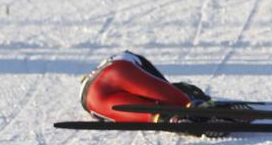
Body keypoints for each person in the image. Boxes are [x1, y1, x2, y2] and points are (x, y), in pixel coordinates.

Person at [79, 51, 220, 124]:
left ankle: (170, 119)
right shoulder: (132, 60)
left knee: (155, 115)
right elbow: (159, 85)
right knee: (179, 102)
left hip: (90, 99)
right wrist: (185, 98)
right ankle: (193, 107)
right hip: (116, 71)